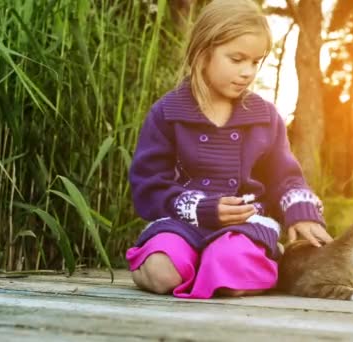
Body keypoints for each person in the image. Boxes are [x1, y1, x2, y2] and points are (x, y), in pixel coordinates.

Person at [125, 0, 333, 299]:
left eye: (255, 61)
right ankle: (172, 261)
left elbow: (285, 176)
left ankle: (239, 263)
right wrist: (200, 208)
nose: (248, 72)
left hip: (244, 224)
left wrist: (301, 212)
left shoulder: (265, 116)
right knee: (161, 273)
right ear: (203, 53)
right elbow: (148, 185)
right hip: (183, 222)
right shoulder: (167, 113)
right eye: (236, 59)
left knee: (228, 271)